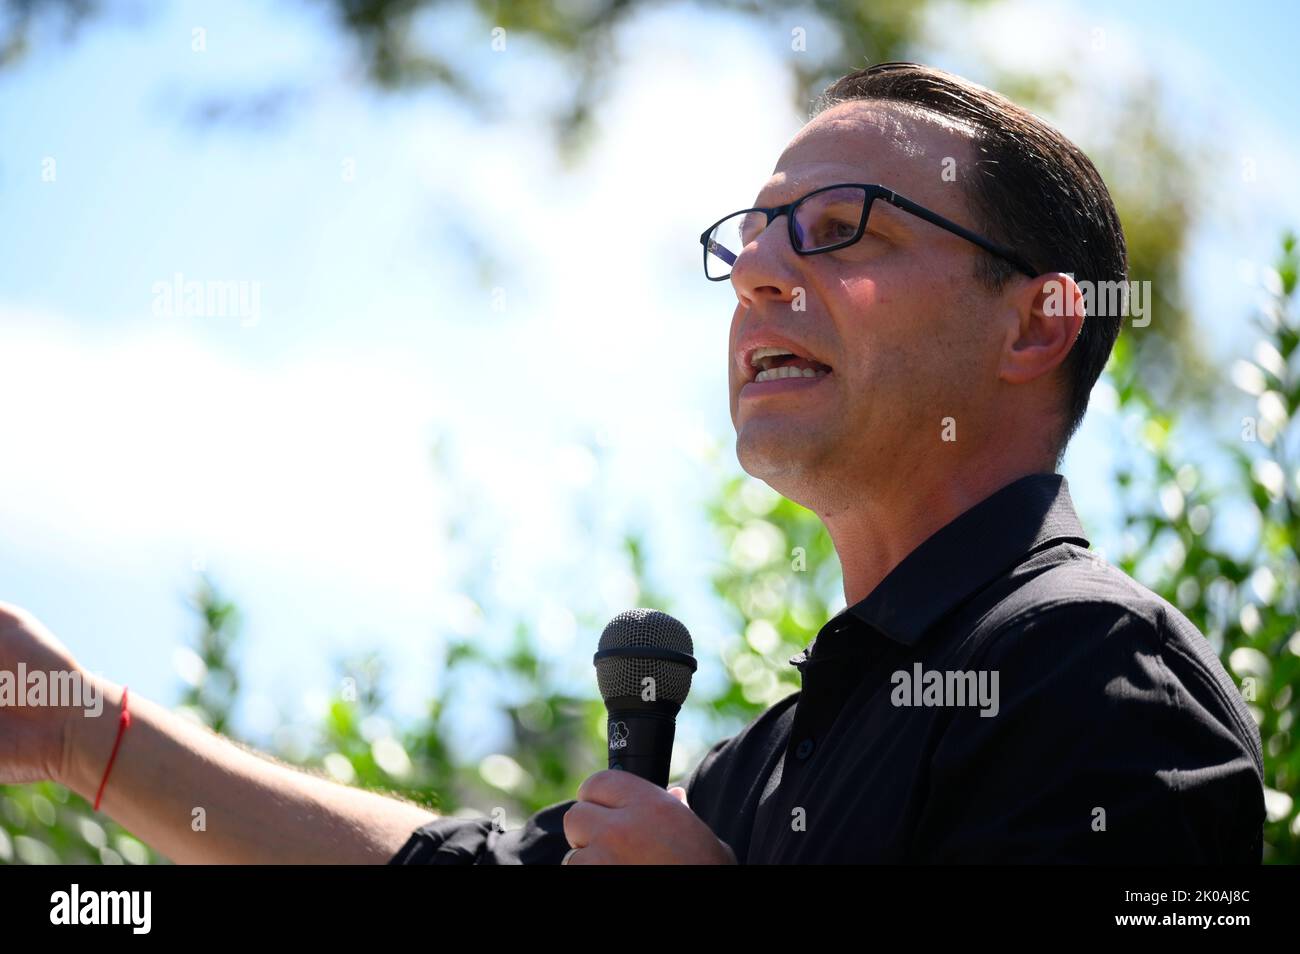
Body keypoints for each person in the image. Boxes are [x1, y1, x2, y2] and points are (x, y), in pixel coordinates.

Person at [0, 62, 1264, 864]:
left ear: (1035, 320)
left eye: (839, 230)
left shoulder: (1100, 680)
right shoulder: (759, 769)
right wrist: (83, 736)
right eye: (753, 238)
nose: (761, 272)